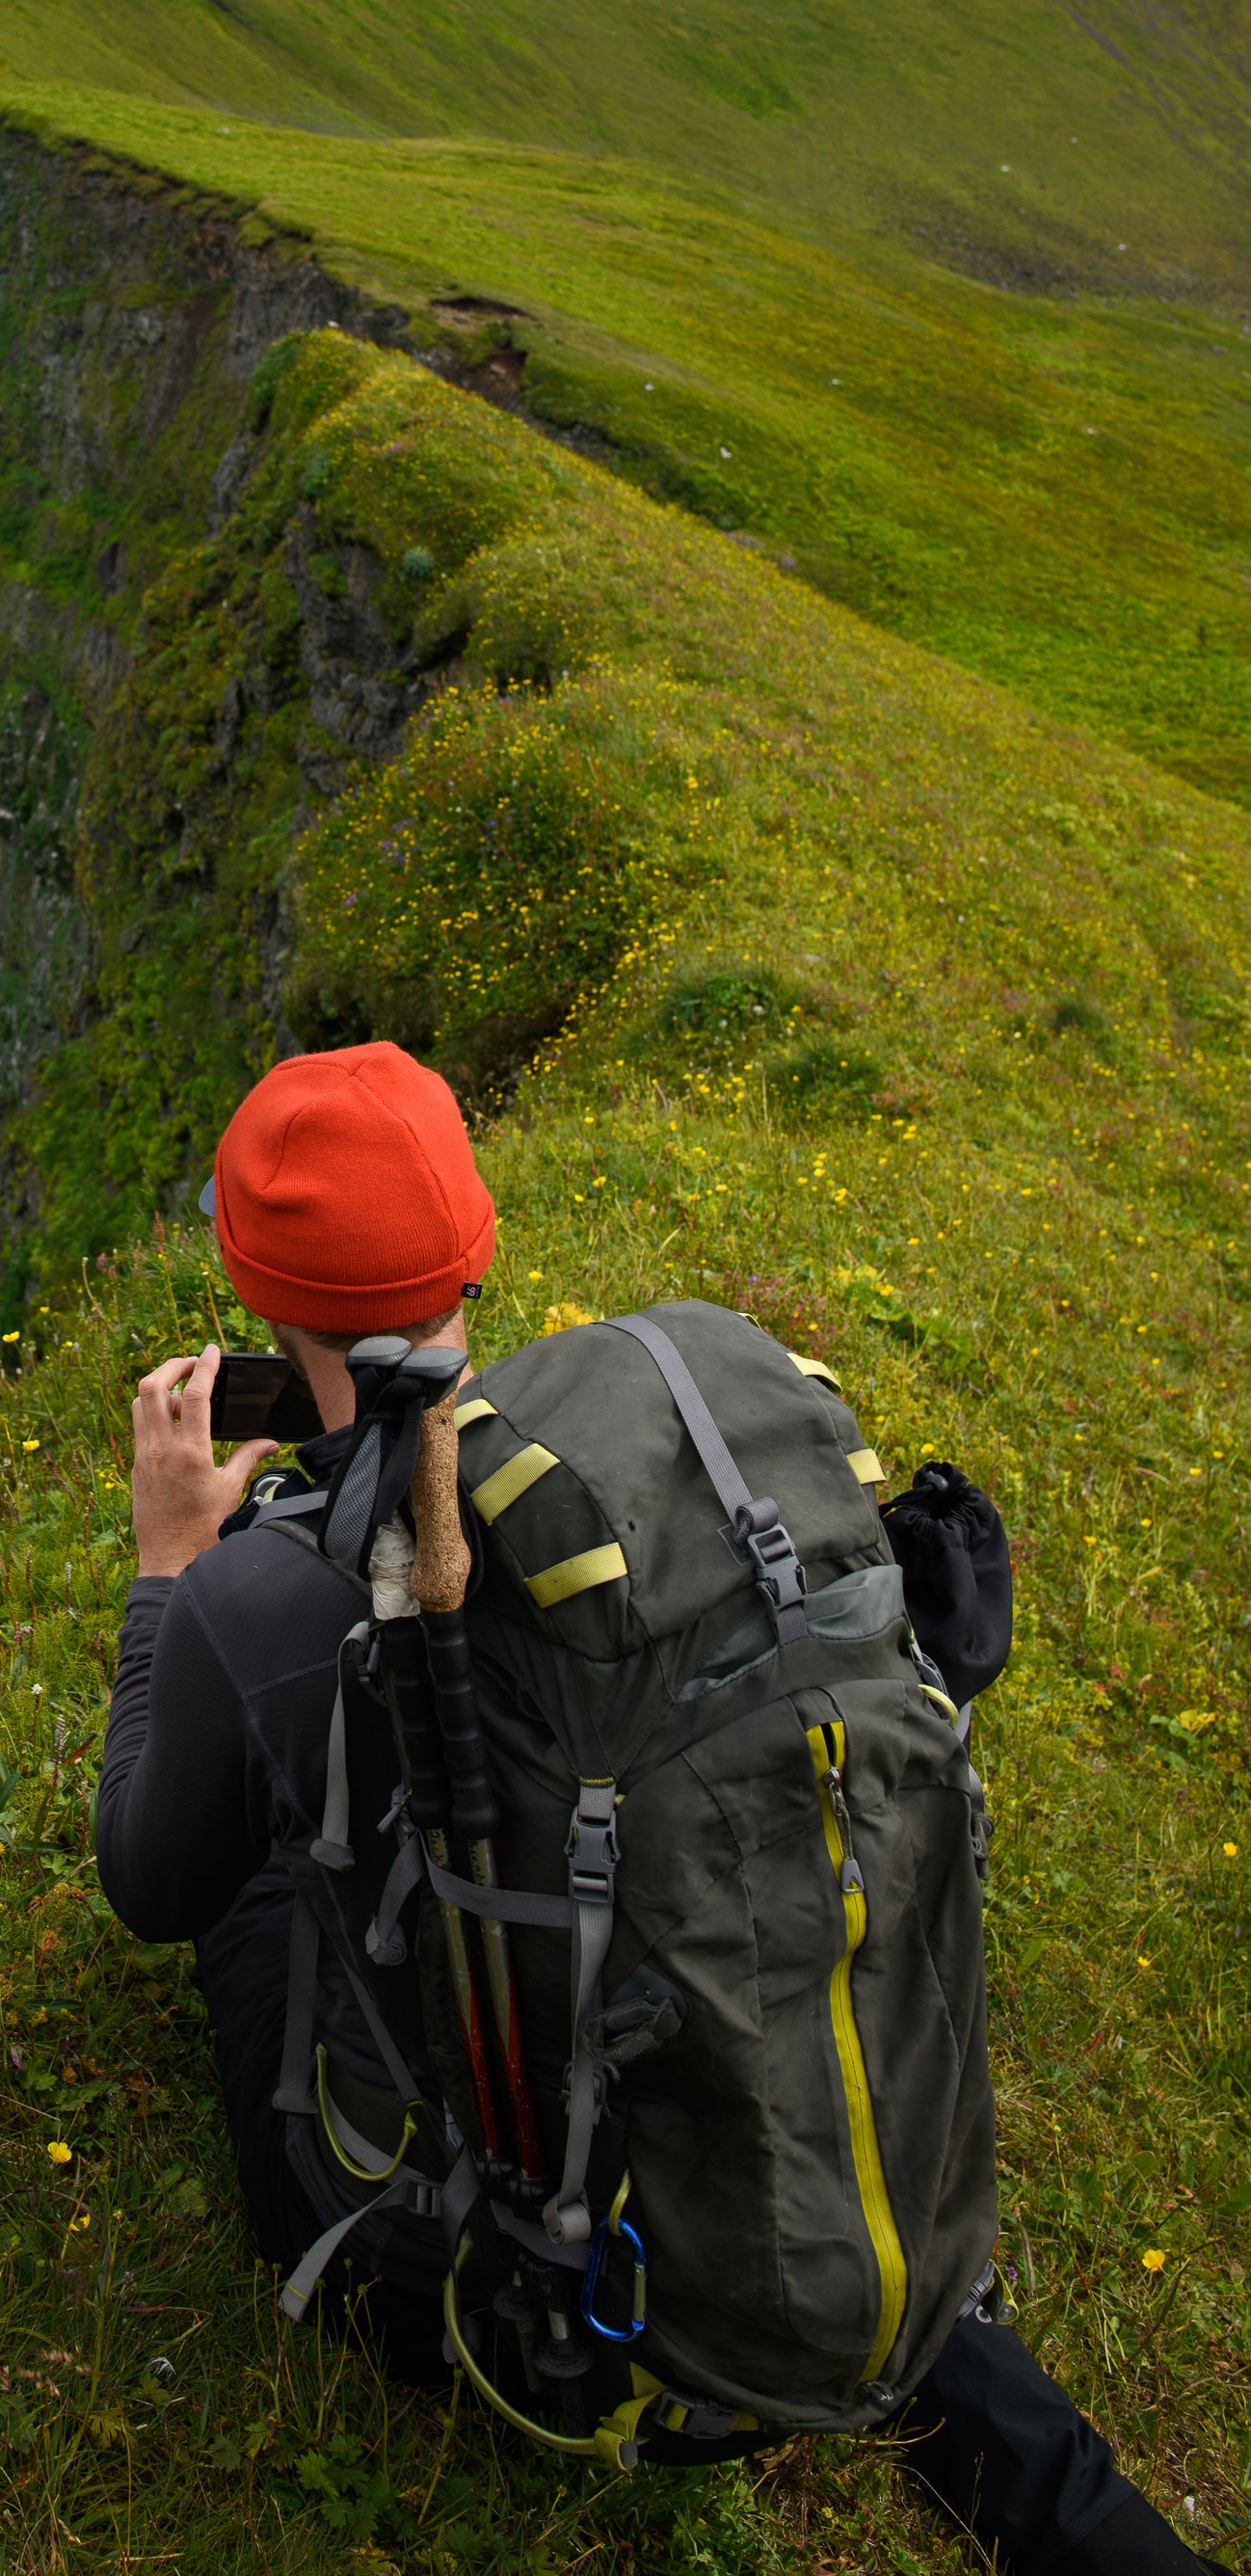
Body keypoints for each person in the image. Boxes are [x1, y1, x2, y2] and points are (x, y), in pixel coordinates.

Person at [96, 1041, 1227, 2575]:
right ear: (473, 1250)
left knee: (255, 1875)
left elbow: (146, 1880)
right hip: (733, 2167)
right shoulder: (648, 1494)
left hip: (517, 2292)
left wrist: (174, 1568)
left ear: (257, 1295)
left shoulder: (262, 1598)